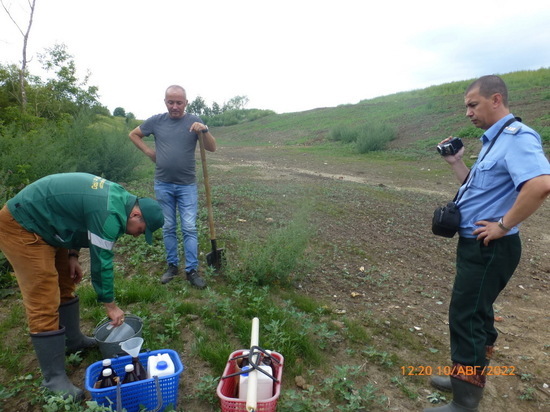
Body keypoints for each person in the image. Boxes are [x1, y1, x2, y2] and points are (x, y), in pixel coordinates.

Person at [426, 75, 550, 411]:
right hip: (477, 246)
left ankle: (465, 401)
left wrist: (502, 225)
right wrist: (456, 162)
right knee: (477, 314)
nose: (467, 112)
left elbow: (539, 185)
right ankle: (466, 376)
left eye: (472, 104)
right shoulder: (494, 142)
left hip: (490, 247)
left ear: (496, 100)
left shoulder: (518, 138)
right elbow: (480, 189)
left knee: (465, 316)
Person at [0, 172, 164, 400]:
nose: (137, 236)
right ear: (136, 214)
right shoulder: (109, 214)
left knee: (65, 282)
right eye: (140, 230)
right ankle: (54, 379)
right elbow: (101, 263)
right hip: (24, 224)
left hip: (49, 225)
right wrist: (110, 305)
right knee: (43, 298)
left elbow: (77, 218)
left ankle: (73, 341)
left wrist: (72, 255)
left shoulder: (119, 202)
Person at [129, 85, 217, 288]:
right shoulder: (156, 121)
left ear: (186, 103)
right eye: (171, 102)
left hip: (187, 185)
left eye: (179, 102)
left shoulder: (194, 122)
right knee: (168, 227)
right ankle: (172, 266)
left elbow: (212, 147)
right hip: (163, 184)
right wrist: (150, 153)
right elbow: (134, 134)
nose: (175, 106)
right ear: (165, 102)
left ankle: (192, 270)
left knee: (189, 227)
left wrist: (204, 131)